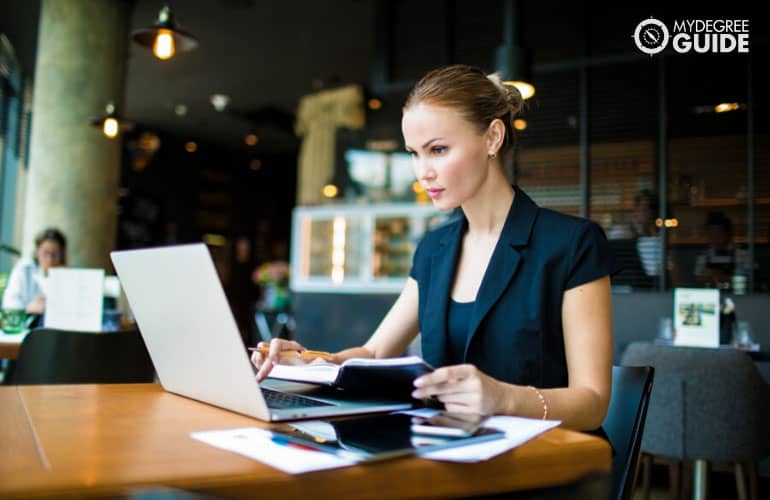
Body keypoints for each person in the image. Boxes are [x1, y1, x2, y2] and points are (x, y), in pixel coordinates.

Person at [252, 65, 613, 431]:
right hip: (451, 453)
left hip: (548, 464)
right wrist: (310, 362)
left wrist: (503, 398)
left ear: (493, 137)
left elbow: (593, 402)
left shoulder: (572, 243)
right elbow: (375, 352)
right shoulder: (434, 249)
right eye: (414, 153)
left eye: (438, 149)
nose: (422, 171)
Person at [1, 227, 67, 314]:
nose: (49, 260)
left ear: (61, 255)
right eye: (45, 253)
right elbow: (9, 306)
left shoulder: (66, 278)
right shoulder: (24, 270)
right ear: (37, 252)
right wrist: (29, 308)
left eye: (54, 254)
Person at [694, 211, 750, 290]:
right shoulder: (704, 255)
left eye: (718, 234)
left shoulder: (743, 255)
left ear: (727, 234)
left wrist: (721, 277)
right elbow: (697, 279)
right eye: (711, 234)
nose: (715, 238)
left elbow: (750, 280)